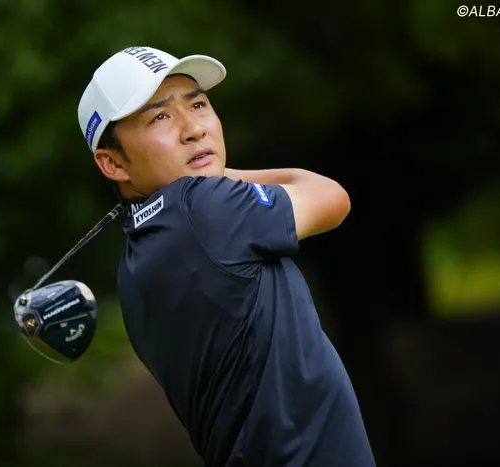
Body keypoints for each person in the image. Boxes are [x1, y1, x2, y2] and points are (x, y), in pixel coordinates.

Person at [77, 46, 376, 467]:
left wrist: (202, 174)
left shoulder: (136, 260)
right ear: (112, 163)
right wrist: (212, 176)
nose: (193, 129)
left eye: (197, 105)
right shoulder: (205, 209)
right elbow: (332, 197)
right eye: (159, 117)